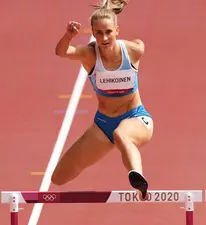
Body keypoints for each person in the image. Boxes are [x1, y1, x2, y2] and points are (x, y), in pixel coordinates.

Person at [53, 0, 153, 200]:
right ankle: (135, 172)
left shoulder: (133, 51)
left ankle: (138, 177)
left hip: (136, 118)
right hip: (103, 124)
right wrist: (68, 36)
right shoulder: (90, 55)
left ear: (117, 30)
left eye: (108, 32)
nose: (104, 37)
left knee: (121, 134)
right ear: (93, 33)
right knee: (59, 177)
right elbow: (61, 52)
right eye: (98, 33)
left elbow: (141, 44)